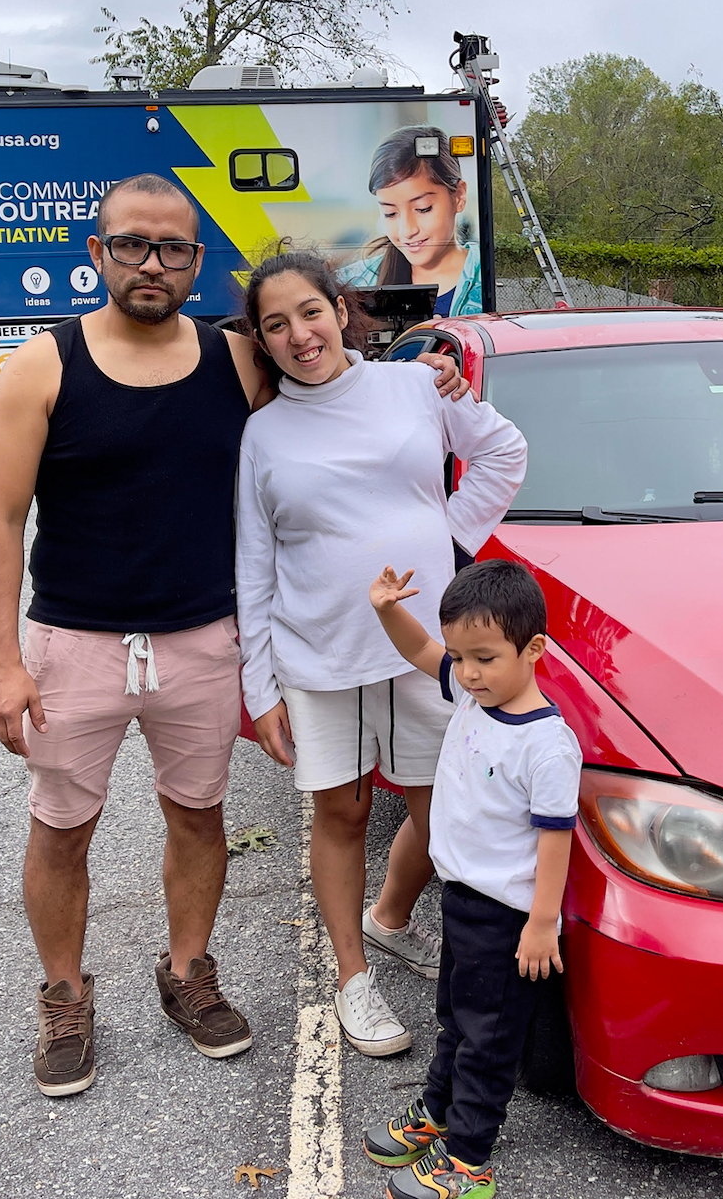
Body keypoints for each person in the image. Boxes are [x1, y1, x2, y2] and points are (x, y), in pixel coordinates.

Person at [0, 175, 469, 1098]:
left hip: (202, 638)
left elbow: (343, 393)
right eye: (132, 244)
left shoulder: (237, 363)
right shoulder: (42, 370)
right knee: (60, 828)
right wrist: (5, 664)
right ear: (98, 250)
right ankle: (65, 996)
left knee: (198, 816)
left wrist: (434, 374)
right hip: (73, 642)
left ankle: (190, 975)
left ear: (196, 262)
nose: (151, 263)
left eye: (171, 248)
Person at [235, 251, 526, 1059]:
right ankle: (352, 979)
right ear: (262, 340)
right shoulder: (263, 433)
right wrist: (260, 686)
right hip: (319, 653)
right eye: (276, 324)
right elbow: (252, 564)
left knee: (444, 812)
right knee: (344, 813)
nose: (299, 334)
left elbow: (503, 455)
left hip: (424, 647)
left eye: (310, 312)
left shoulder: (415, 386)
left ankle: (389, 919)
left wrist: (450, 535)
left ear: (340, 307)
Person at [362, 559, 582, 1199]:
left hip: (507, 917)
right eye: (462, 659)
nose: (467, 672)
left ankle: (469, 1163)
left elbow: (555, 839)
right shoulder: (471, 691)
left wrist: (542, 924)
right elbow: (421, 649)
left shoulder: (546, 745)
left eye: (484, 658)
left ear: (534, 649)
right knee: (454, 1017)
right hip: (459, 897)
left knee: (488, 1038)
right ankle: (437, 1111)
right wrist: (385, 610)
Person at [340, 124, 484, 317]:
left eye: (423, 209)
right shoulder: (350, 282)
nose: (406, 230)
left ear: (458, 196)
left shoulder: (491, 276)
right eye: (390, 213)